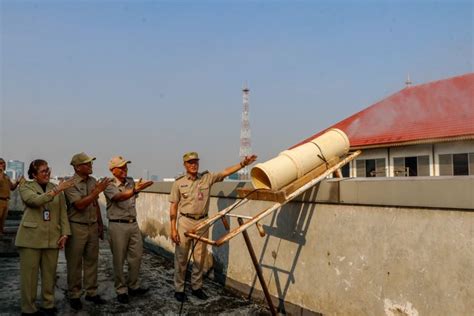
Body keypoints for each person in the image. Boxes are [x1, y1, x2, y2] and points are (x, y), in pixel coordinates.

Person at [169, 152, 257, 302]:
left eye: (196, 162)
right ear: (185, 165)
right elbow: (173, 206)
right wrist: (173, 228)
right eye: (190, 162)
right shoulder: (178, 183)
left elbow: (225, 172)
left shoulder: (206, 178)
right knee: (181, 257)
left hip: (202, 222)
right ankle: (179, 288)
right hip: (184, 222)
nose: (194, 165)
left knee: (199, 256)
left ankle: (196, 287)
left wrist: (243, 164)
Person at [15, 159, 75, 315]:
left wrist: (65, 233)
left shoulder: (55, 188)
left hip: (51, 238)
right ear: (34, 175)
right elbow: (34, 201)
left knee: (50, 275)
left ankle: (48, 305)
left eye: (48, 170)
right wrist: (56, 191)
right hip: (30, 239)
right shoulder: (26, 186)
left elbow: (62, 213)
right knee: (29, 278)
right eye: (43, 171)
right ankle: (28, 309)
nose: (47, 173)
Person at [64, 153, 112, 310]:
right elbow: (79, 205)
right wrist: (97, 191)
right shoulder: (70, 184)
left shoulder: (92, 181)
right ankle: (74, 295)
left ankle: (91, 292)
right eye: (87, 163)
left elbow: (95, 204)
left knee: (92, 261)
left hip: (91, 226)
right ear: (77, 167)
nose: (91, 165)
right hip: (76, 226)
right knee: (75, 263)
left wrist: (99, 224)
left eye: (91, 163)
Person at [103, 156, 153, 304]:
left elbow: (132, 195)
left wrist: (135, 188)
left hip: (133, 223)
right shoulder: (108, 184)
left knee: (136, 257)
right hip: (117, 225)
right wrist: (135, 190)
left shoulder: (130, 181)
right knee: (119, 259)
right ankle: (121, 290)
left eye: (126, 166)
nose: (125, 169)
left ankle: (133, 286)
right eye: (121, 167)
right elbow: (118, 197)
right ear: (113, 170)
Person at [0, 158, 23, 234]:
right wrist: (1, 173)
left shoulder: (6, 176)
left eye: (4, 163)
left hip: (6, 200)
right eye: (1, 163)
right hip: (0, 200)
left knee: (2, 220)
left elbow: (12, 187)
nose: (3, 165)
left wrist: (17, 182)